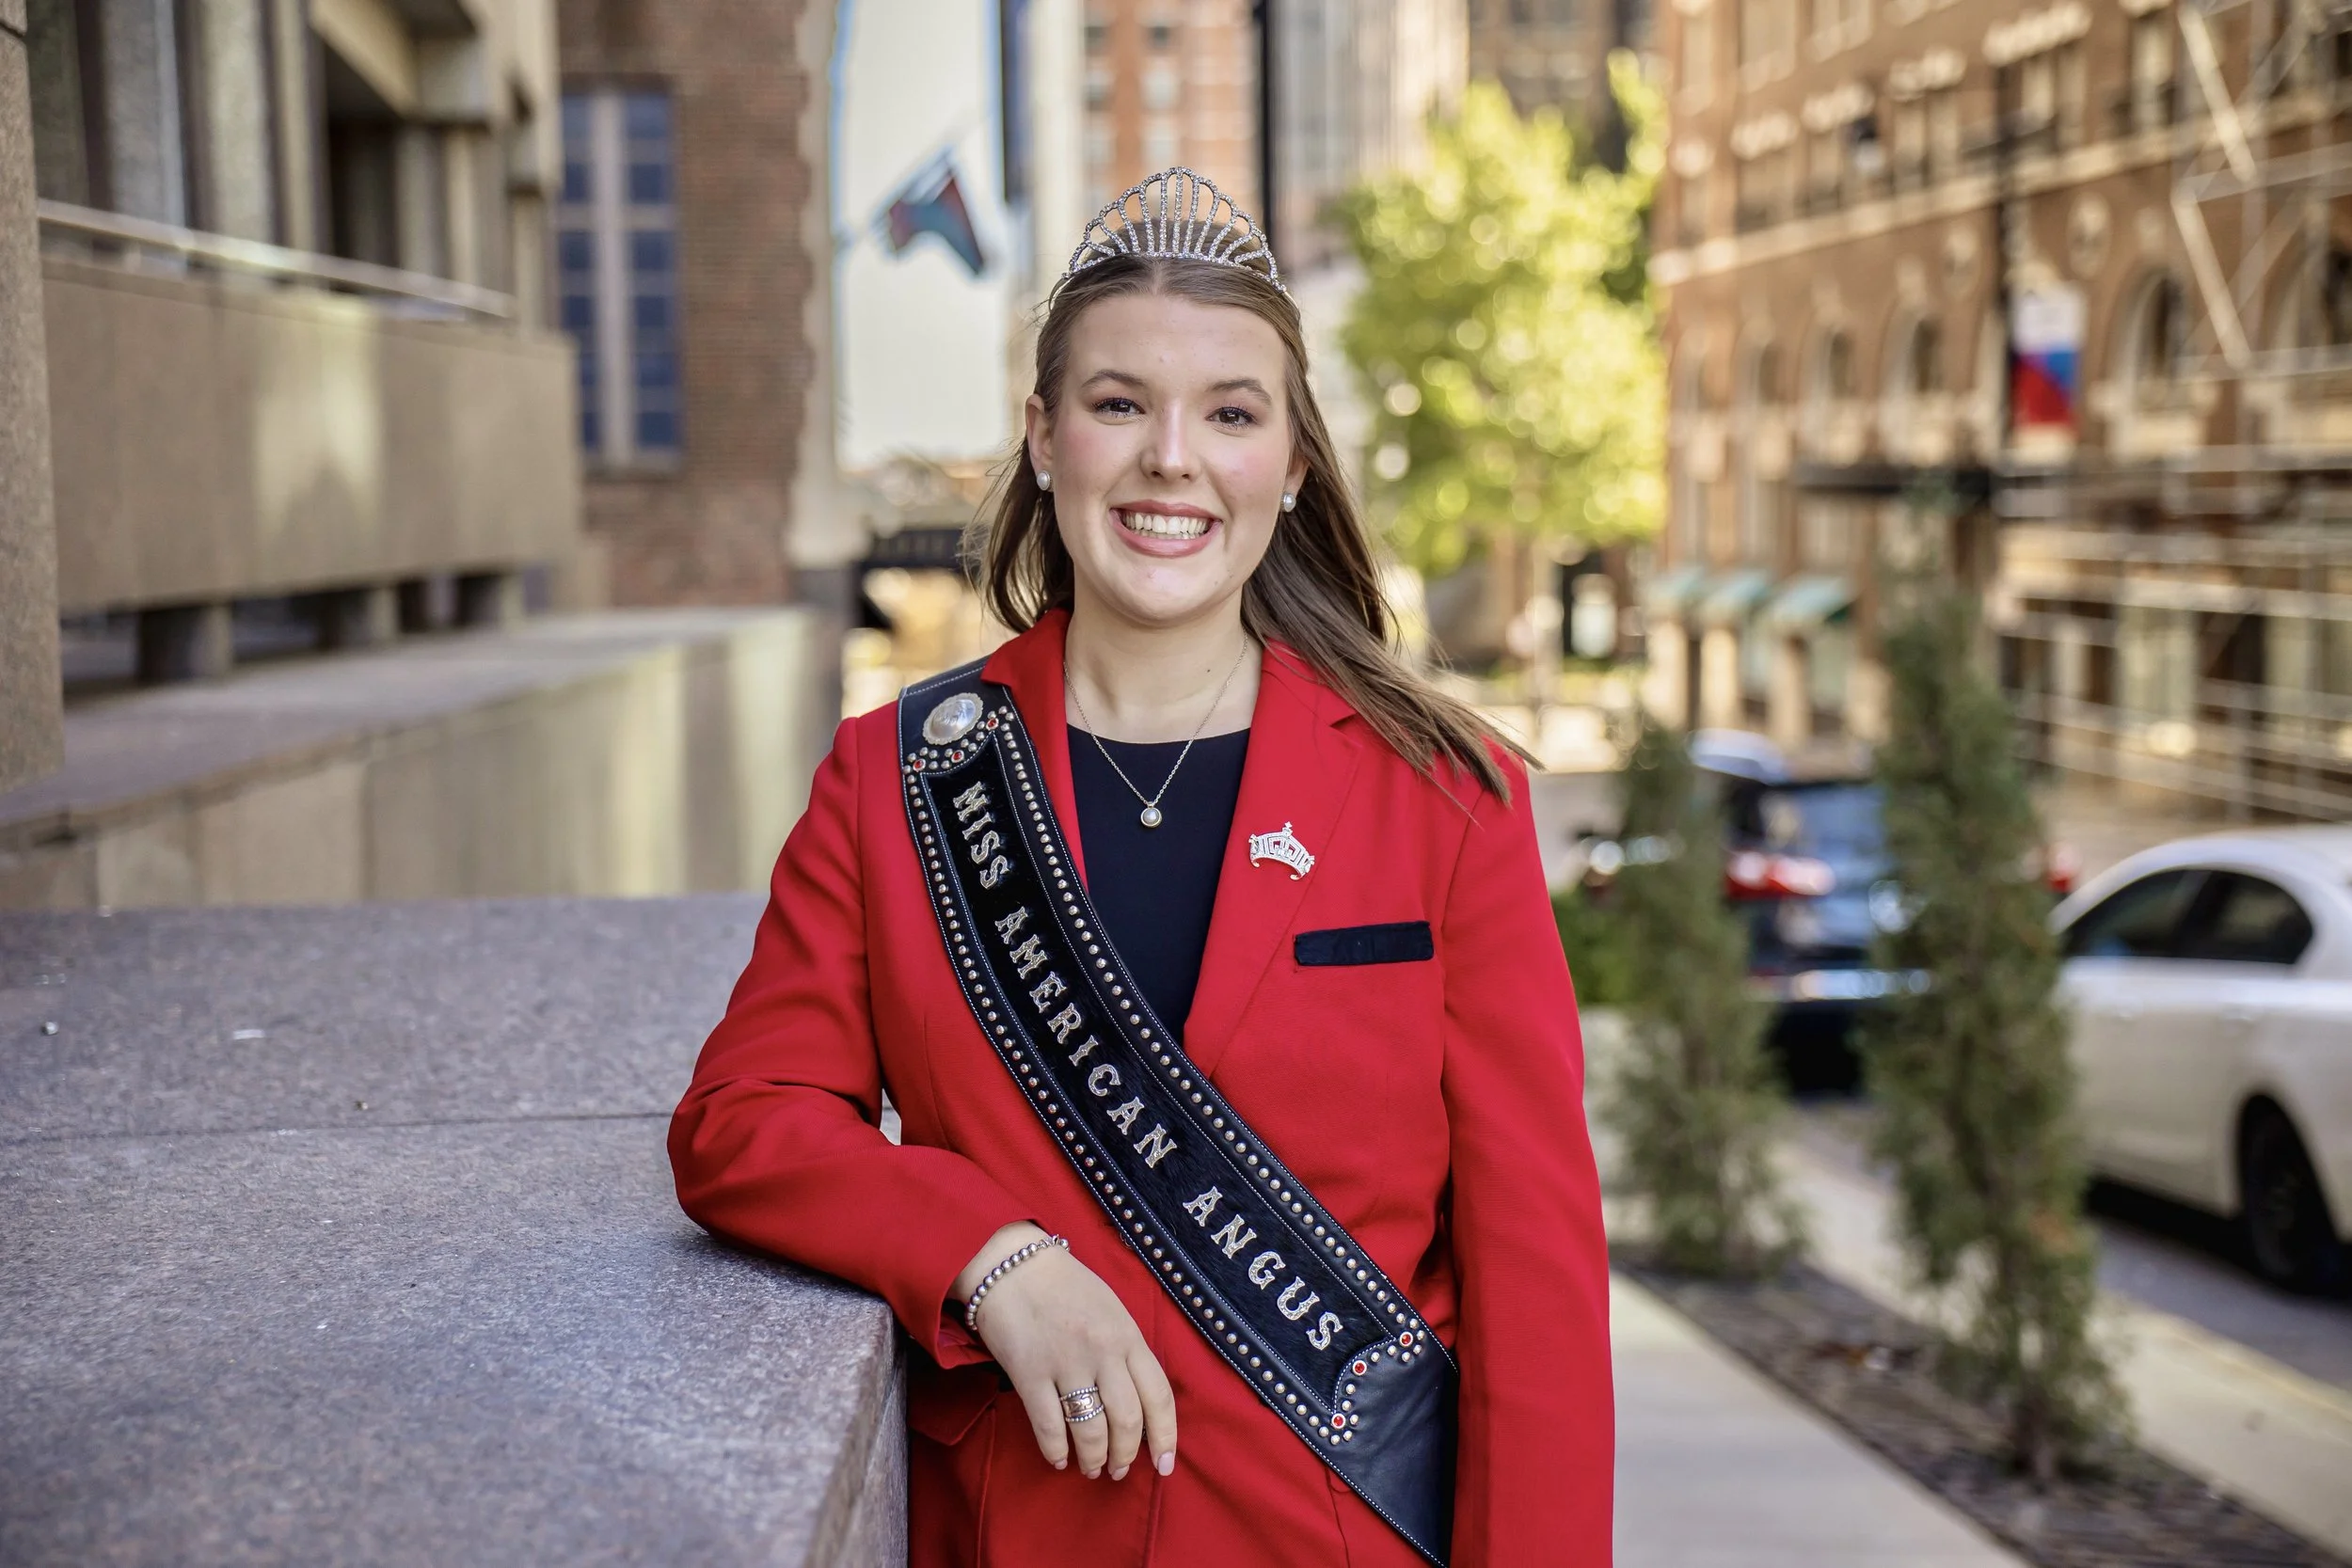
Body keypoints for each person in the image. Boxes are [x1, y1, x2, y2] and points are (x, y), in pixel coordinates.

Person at [670, 168, 1611, 1567]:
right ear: (1045, 436)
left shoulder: (1439, 798)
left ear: (1291, 465)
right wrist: (989, 1254)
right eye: (1120, 404)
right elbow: (743, 1119)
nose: (1173, 457)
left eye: (1231, 414)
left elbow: (1537, 1281)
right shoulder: (900, 779)